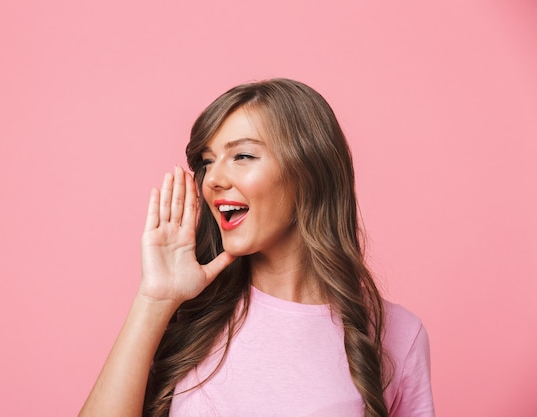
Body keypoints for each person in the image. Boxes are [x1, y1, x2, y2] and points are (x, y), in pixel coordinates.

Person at [79, 79, 435, 417]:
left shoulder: (399, 334)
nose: (213, 179)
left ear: (308, 172)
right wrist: (154, 300)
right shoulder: (190, 316)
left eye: (243, 156)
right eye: (207, 161)